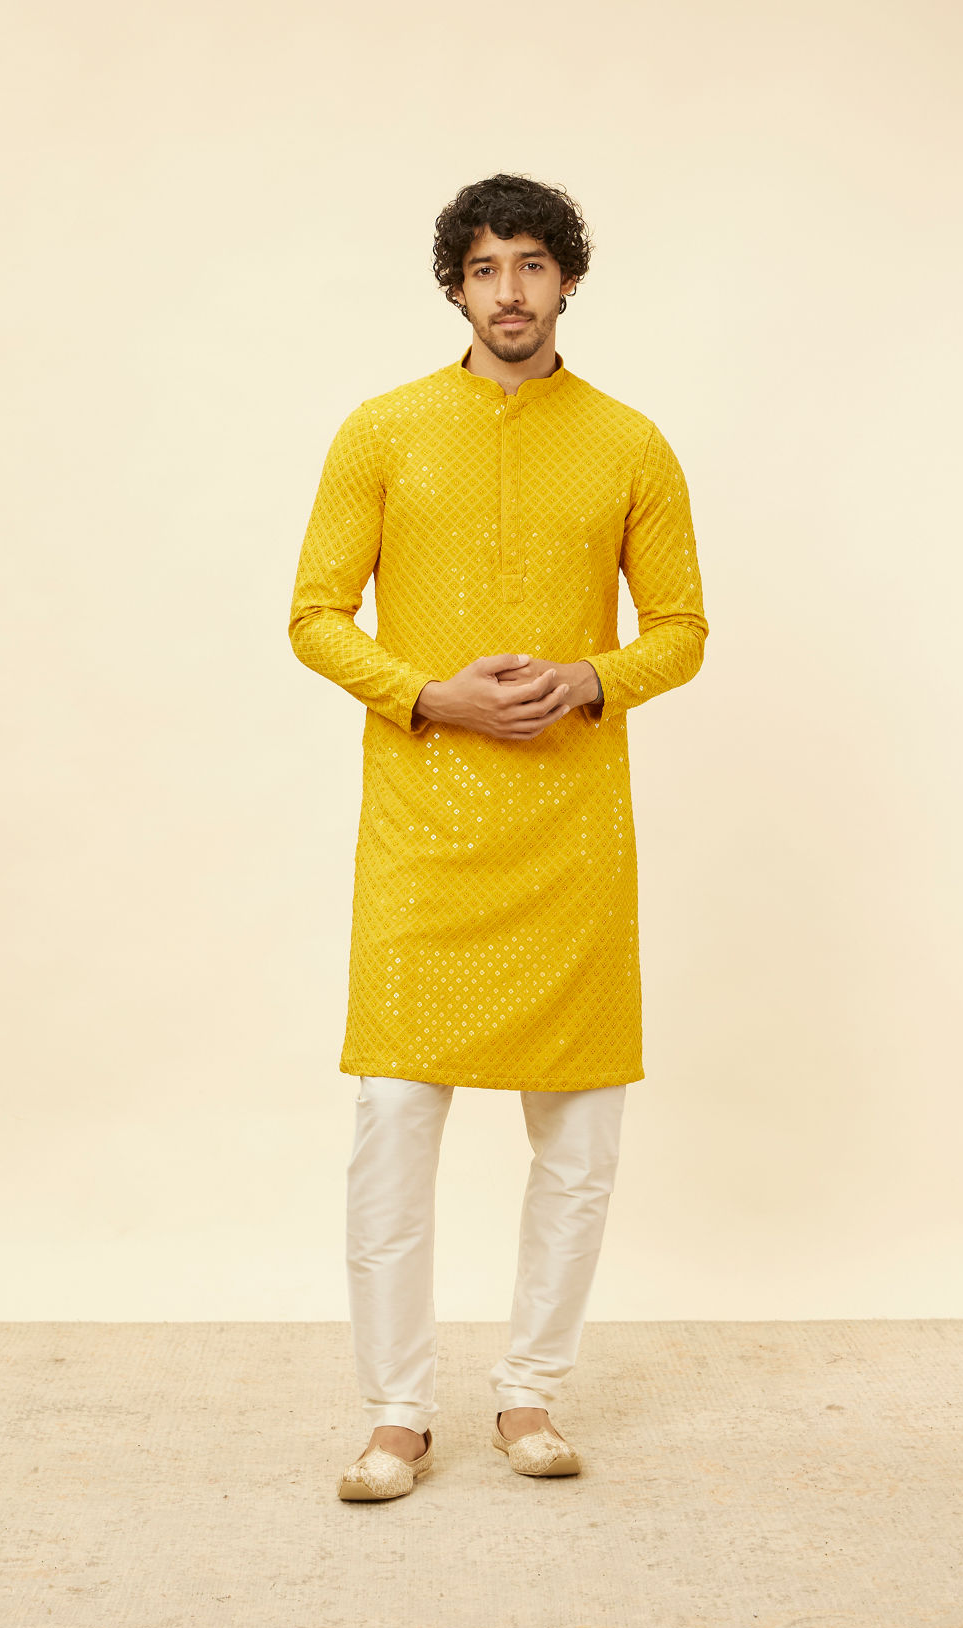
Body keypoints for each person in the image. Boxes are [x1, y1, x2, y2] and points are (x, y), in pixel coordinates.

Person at [287, 173, 709, 1501]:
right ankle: (396, 1413)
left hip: (571, 829)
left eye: (531, 265)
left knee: (579, 1139)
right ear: (456, 287)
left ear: (567, 280)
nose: (509, 291)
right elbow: (314, 615)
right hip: (424, 827)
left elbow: (682, 631)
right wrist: (428, 694)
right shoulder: (383, 430)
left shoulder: (630, 442)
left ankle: (531, 1394)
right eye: (484, 268)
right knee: (392, 1118)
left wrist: (592, 679)